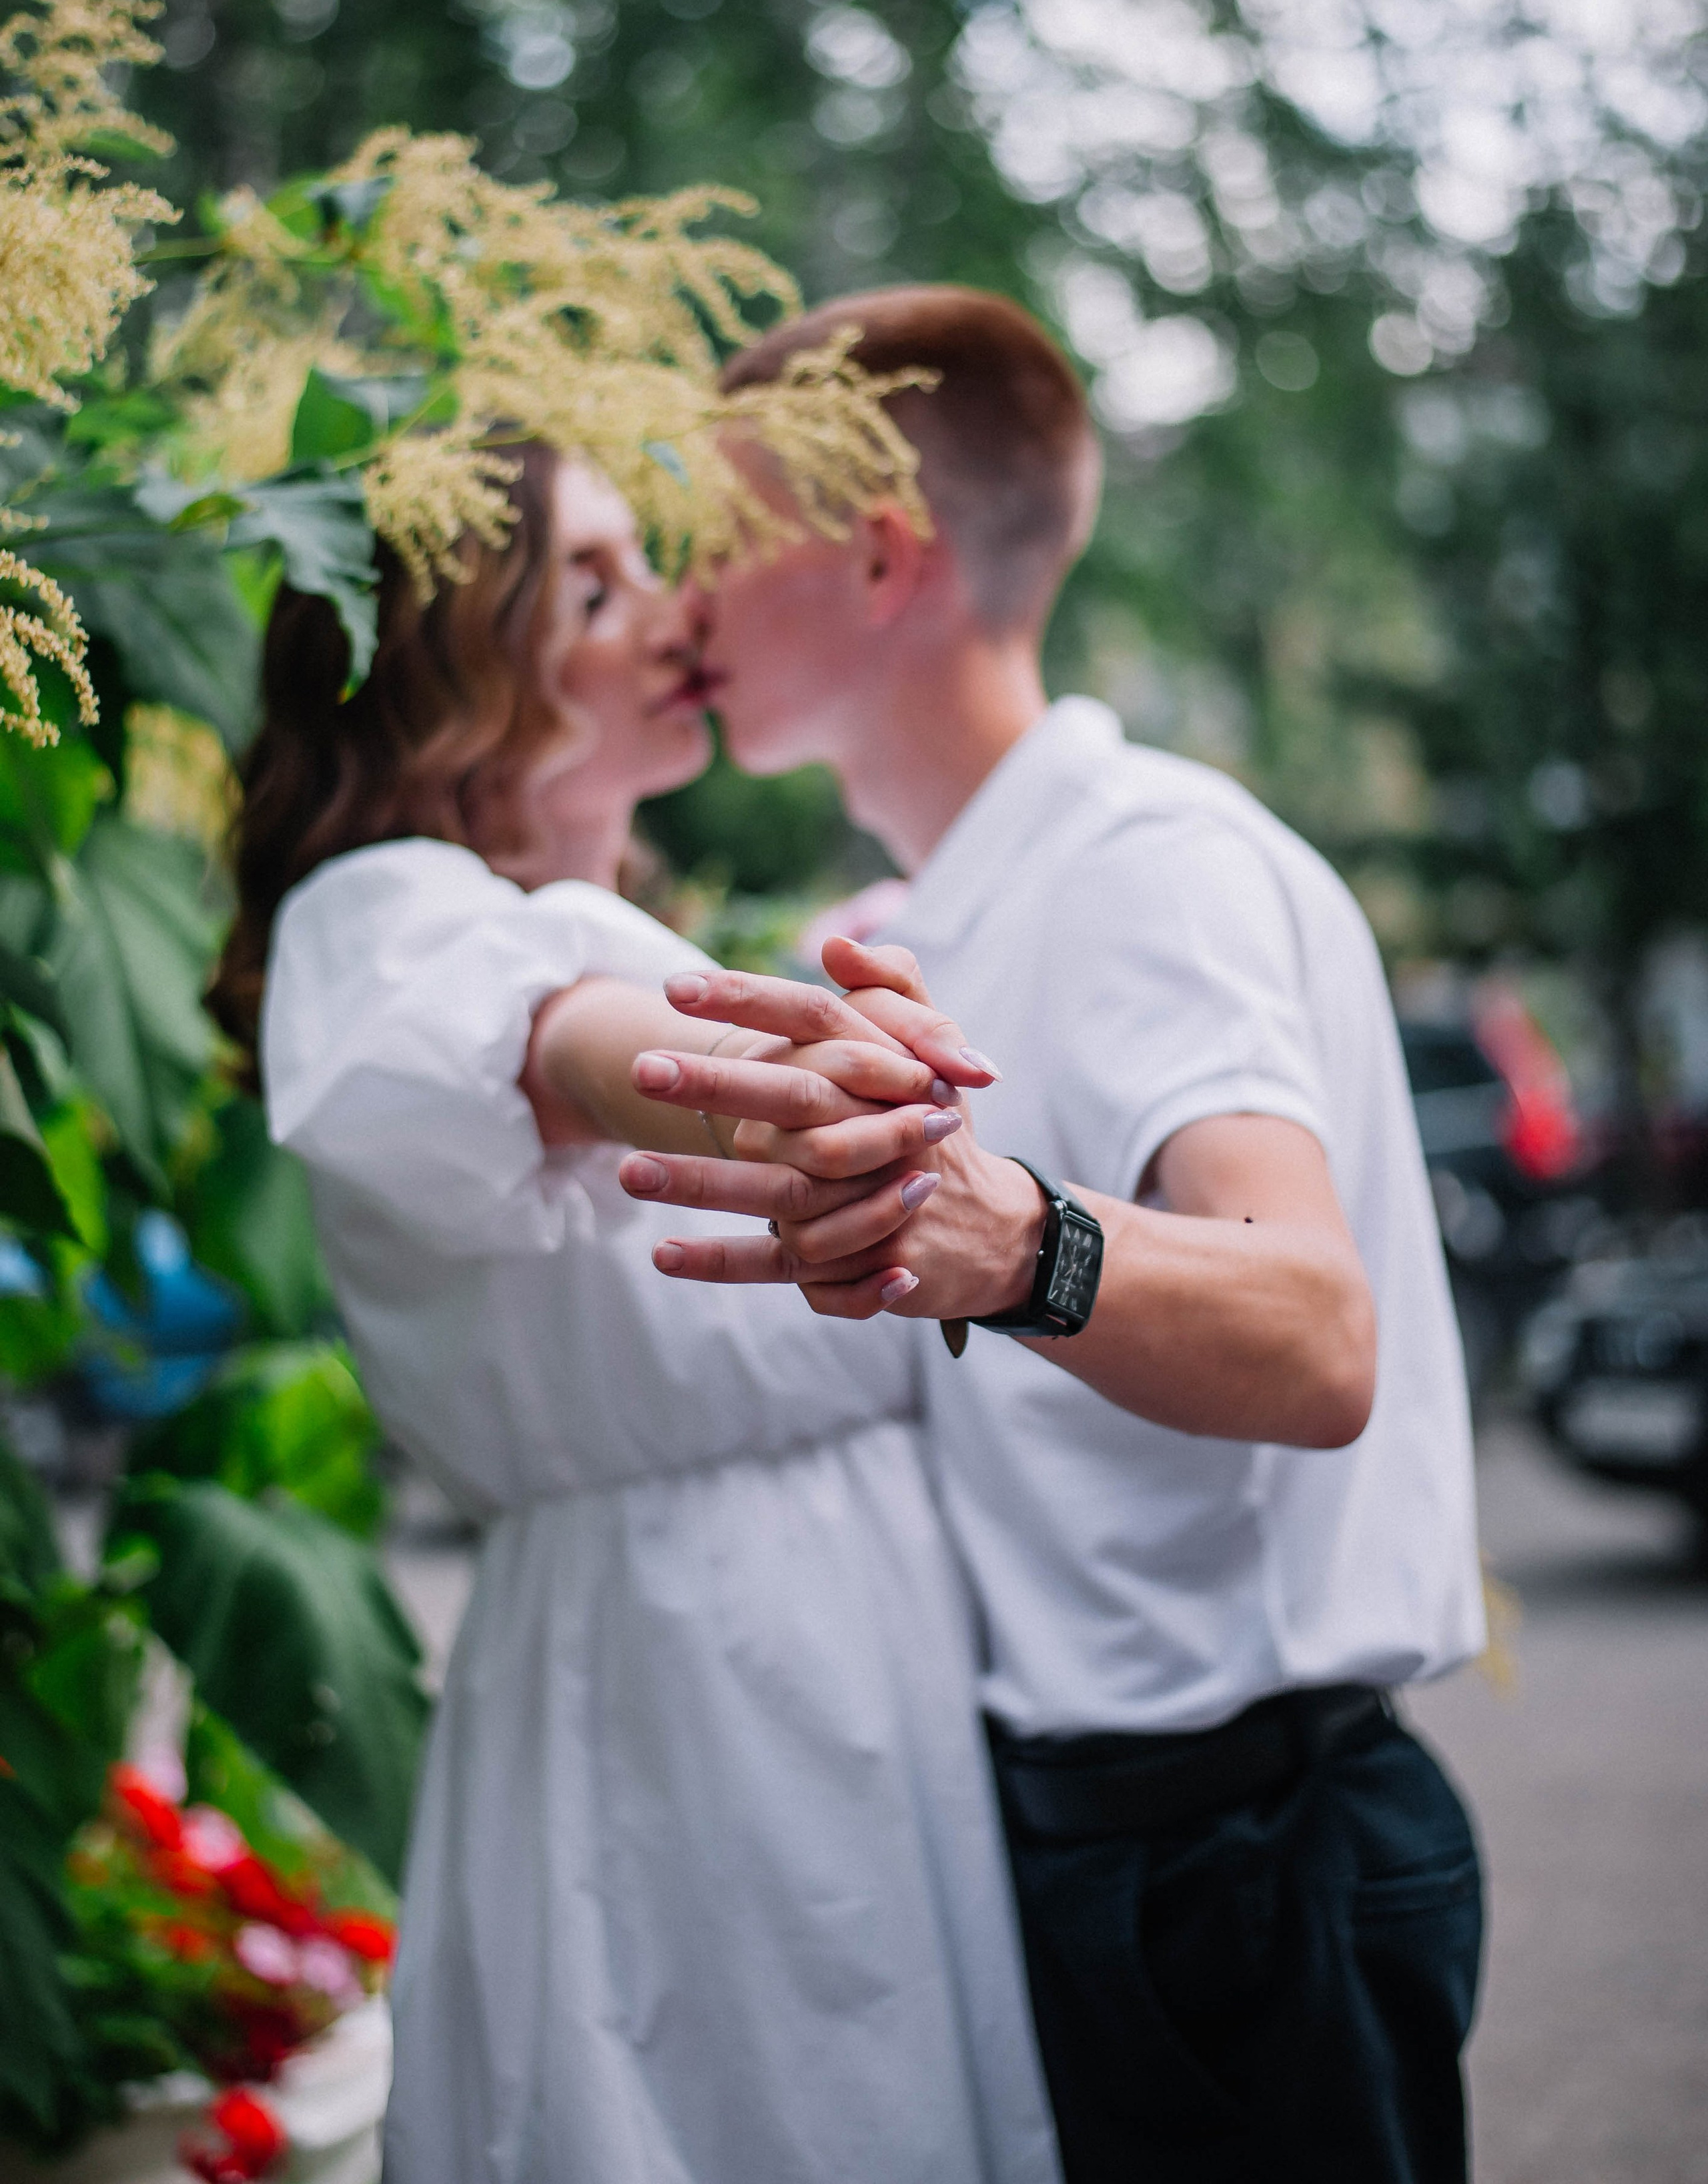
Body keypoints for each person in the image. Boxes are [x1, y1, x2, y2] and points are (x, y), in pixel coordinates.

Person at [618, 287, 1488, 2184]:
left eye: (718, 536)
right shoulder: (934, 903)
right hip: (1085, 1850)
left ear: (874, 556)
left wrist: (1020, 1245)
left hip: (1241, 1880)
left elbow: (1317, 1333)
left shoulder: (1145, 870)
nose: (682, 598)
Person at [207, 440, 1063, 2184]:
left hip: (864, 1642)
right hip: (684, 1674)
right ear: (449, 681)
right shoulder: (384, 920)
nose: (674, 610)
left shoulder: (645, 928)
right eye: (590, 586)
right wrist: (787, 1090)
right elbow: (556, 1050)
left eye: (645, 559)